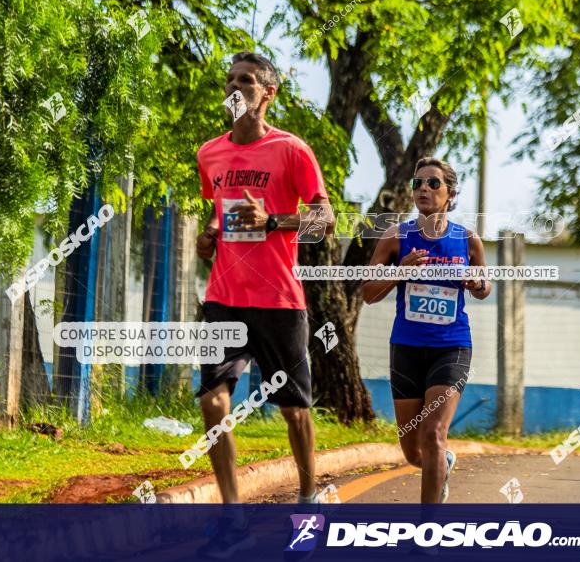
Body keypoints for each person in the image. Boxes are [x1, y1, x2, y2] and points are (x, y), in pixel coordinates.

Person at [194, 51, 335, 556]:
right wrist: (210, 235)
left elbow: (324, 221)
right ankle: (232, 517)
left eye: (247, 81)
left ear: (268, 93)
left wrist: (273, 221)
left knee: (294, 411)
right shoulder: (209, 153)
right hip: (224, 296)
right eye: (230, 80)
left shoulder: (292, 150)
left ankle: (307, 496)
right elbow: (220, 215)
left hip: (278, 299)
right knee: (213, 401)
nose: (235, 87)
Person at [362, 157, 491, 503]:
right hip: (406, 347)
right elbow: (368, 294)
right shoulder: (396, 237)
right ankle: (443, 464)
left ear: (450, 193)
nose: (423, 189)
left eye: (433, 183)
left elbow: (484, 285)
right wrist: (400, 271)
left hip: (452, 346)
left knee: (434, 434)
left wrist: (475, 281)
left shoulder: (467, 239)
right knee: (414, 451)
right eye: (417, 183)